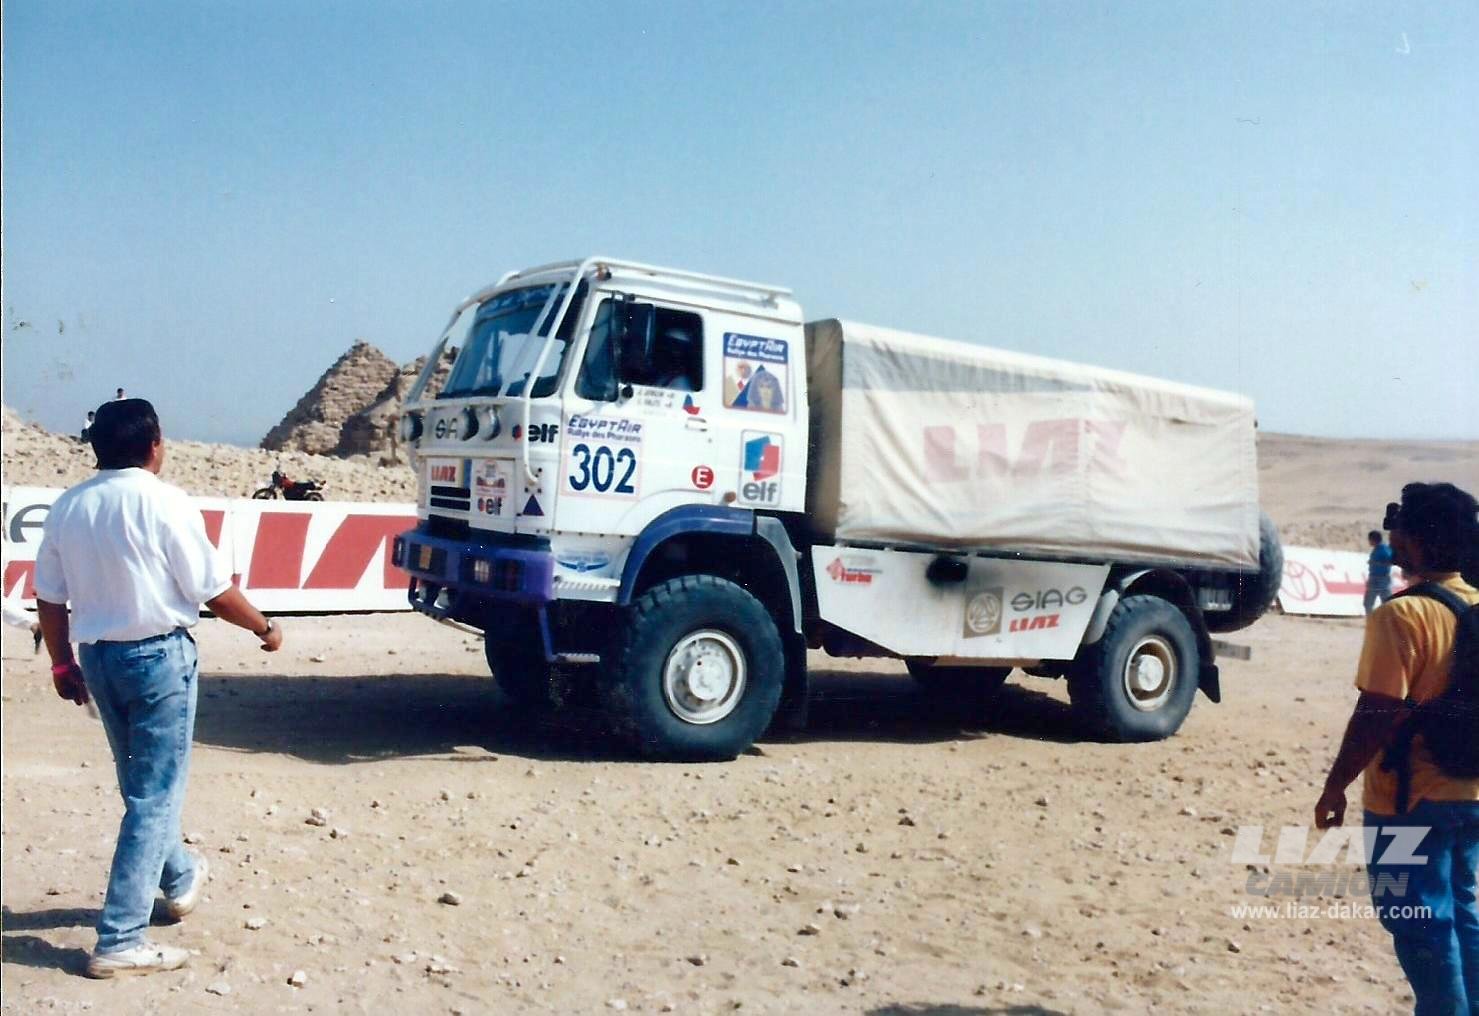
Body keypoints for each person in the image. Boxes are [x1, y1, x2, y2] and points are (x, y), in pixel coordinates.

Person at [34, 398, 285, 979]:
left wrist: (61, 664)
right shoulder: (166, 502)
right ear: (154, 446)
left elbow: (50, 597)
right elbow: (212, 591)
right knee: (155, 795)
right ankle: (121, 937)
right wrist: (265, 628)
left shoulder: (69, 506)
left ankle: (178, 876)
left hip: (99, 658)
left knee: (141, 786)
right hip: (156, 660)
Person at [1315, 482, 1479, 1014]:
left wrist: (1335, 785)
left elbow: (1378, 711)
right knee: (1461, 910)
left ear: (1415, 539)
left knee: (1418, 921)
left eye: (1400, 527)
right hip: (1471, 792)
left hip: (1409, 797)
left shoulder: (1402, 615)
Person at [1367, 528, 1395, 615]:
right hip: (1374, 578)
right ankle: (1371, 619)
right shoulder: (1377, 549)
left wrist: (1377, 563)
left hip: (1382, 578)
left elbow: (1391, 561)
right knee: (1368, 603)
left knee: (1386, 603)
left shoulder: (1384, 550)